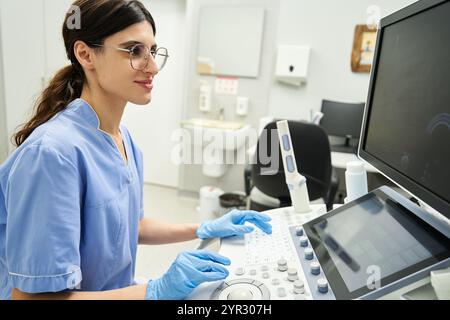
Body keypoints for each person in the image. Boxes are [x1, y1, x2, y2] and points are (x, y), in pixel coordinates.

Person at [0, 0, 272, 300]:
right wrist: (153, 291)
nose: (152, 66)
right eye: (134, 51)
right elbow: (29, 298)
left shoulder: (122, 139)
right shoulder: (52, 155)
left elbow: (132, 226)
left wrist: (204, 228)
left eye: (152, 51)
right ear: (85, 54)